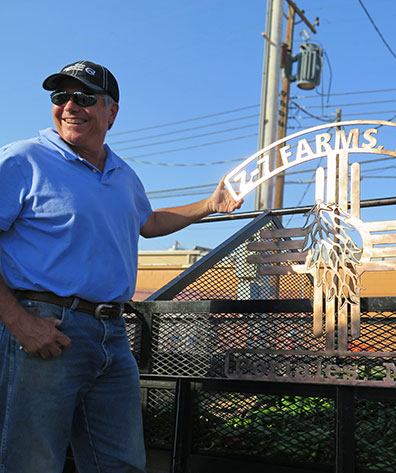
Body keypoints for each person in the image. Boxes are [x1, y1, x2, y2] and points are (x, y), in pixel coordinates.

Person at [0, 60, 243, 473]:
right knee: (32, 463)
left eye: (85, 97)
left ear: (111, 111)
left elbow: (148, 223)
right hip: (45, 327)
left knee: (122, 464)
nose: (70, 106)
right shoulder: (23, 159)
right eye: (60, 97)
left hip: (113, 334)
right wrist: (21, 323)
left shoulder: (123, 174)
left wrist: (209, 205)